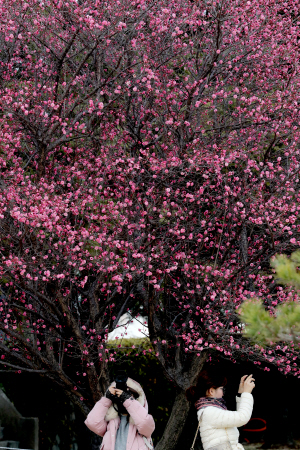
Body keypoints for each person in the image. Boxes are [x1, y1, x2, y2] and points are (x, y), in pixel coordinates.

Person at [85, 373, 155, 450]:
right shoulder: (110, 422)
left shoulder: (141, 423)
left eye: (129, 394)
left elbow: (145, 423)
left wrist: (128, 401)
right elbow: (92, 422)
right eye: (120, 395)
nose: (122, 398)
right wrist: (107, 399)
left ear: (138, 399)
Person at [187, 370, 255, 450]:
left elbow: (236, 421)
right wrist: (247, 393)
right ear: (211, 391)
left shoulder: (212, 409)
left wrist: (241, 393)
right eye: (222, 389)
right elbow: (242, 417)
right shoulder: (209, 412)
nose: (223, 393)